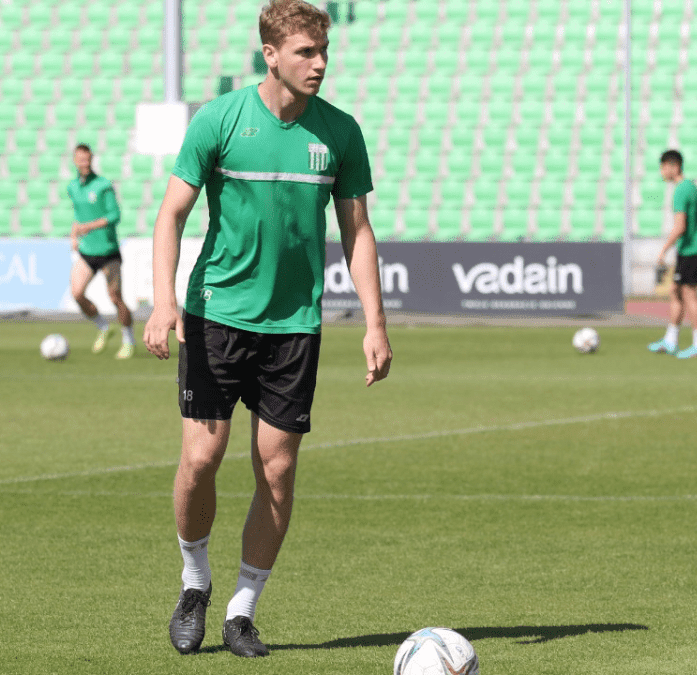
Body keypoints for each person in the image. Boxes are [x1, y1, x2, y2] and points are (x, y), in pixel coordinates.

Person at [143, 0, 392, 659]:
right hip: (216, 315)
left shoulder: (339, 132)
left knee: (276, 472)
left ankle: (242, 611)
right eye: (307, 52)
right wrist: (163, 301)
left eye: (323, 52)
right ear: (271, 55)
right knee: (201, 458)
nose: (320, 63)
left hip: (294, 327)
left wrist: (375, 321)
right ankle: (194, 581)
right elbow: (170, 215)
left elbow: (357, 231)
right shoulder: (219, 121)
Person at [66, 144, 134, 359]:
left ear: (92, 159)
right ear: (75, 160)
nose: (83, 163)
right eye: (80, 160)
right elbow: (78, 216)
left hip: (107, 251)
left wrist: (89, 226)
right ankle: (104, 328)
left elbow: (115, 216)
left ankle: (128, 339)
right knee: (77, 293)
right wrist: (74, 235)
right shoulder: (73, 187)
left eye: (87, 159)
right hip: (87, 251)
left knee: (115, 298)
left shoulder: (103, 185)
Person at [649, 149, 697, 358]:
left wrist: (663, 250)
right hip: (691, 248)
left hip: (691, 249)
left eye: (664, 167)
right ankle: (671, 340)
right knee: (675, 290)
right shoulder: (691, 187)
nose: (662, 172)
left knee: (689, 294)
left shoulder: (681, 191)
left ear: (674, 167)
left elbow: (680, 225)